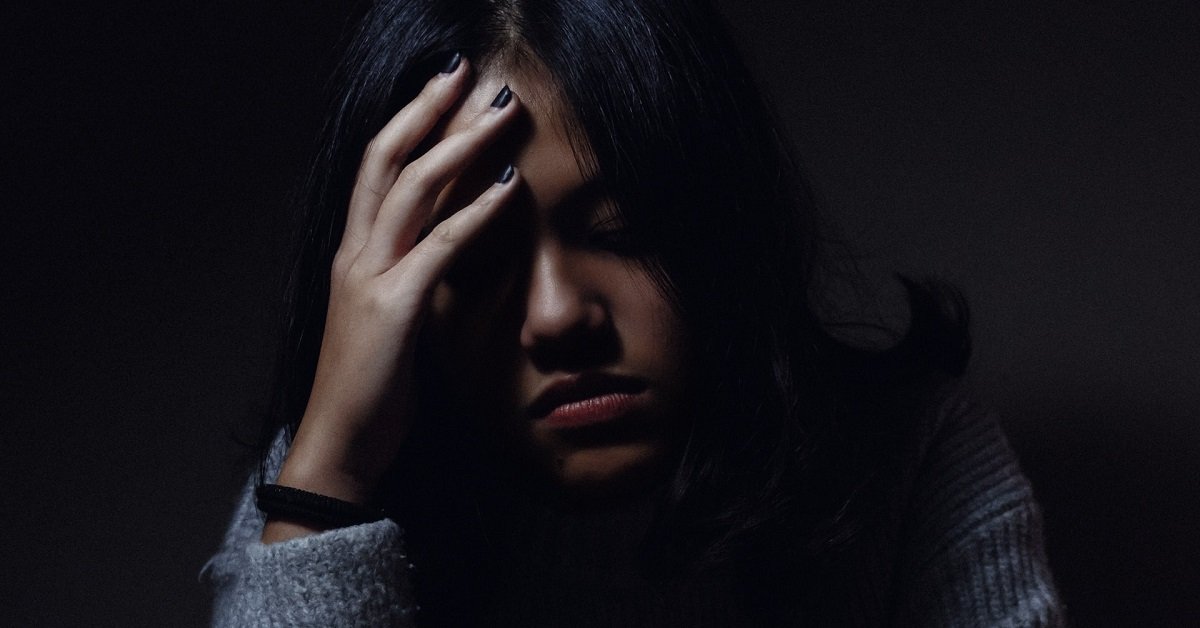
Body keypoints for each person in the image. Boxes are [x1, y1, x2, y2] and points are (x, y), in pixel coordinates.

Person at [204, 0, 1064, 625]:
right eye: (469, 257)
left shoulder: (912, 458)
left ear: (725, 222)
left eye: (625, 232)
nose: (557, 315)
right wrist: (328, 487)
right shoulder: (317, 496)